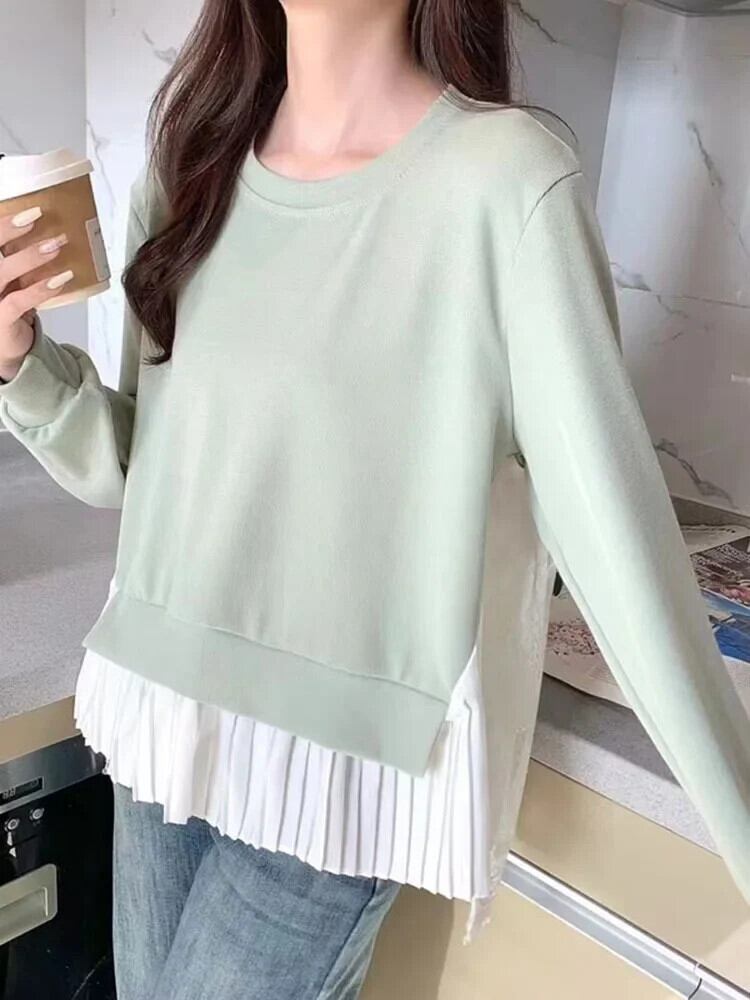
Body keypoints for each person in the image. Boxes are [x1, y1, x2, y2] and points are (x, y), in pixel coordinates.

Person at [1, 1, 749, 997]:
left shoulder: (505, 182)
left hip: (334, 772)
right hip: (162, 719)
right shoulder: (190, 163)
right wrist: (20, 363)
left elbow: (618, 545)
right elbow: (141, 470)